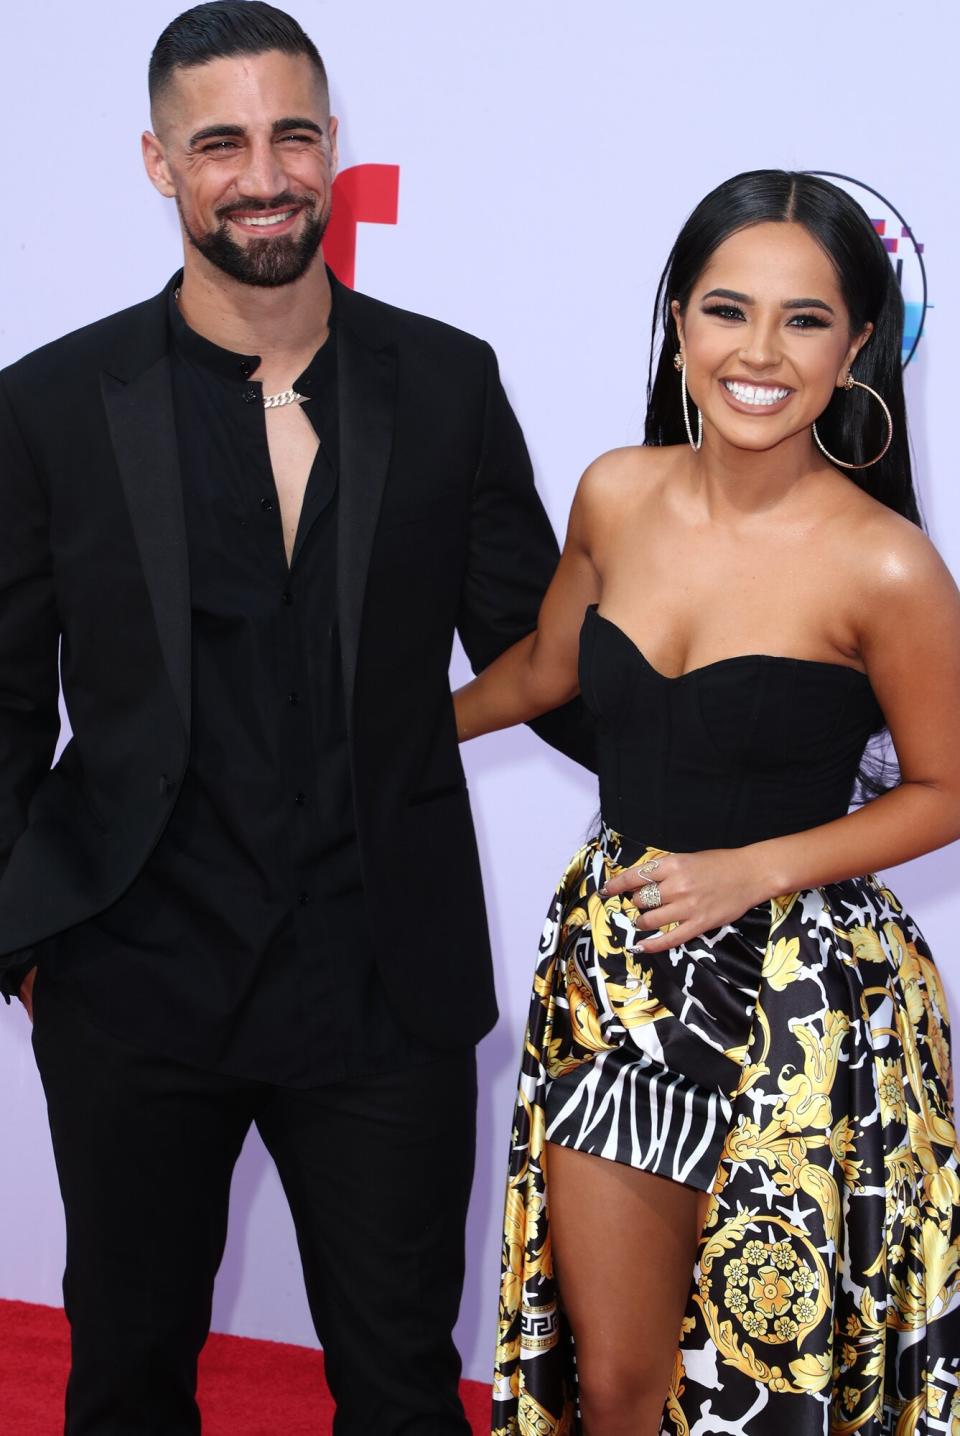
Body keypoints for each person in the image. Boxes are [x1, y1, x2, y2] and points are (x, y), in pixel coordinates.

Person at [0, 4, 594, 1433]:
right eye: (220, 143)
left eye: (289, 135)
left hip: (381, 974)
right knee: (126, 1371)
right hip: (134, 973)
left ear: (332, 148)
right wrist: (28, 943)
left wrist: (782, 757)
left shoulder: (445, 381)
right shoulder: (54, 404)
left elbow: (538, 646)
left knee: (399, 1380)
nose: (260, 174)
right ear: (159, 163)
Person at [454, 170, 960, 1436]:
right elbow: (544, 668)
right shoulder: (616, 491)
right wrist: (380, 738)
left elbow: (950, 788)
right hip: (620, 972)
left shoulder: (887, 562)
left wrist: (757, 865)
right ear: (679, 323)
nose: (759, 351)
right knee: (618, 1377)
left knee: (761, 1385)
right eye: (729, 309)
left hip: (803, 1008)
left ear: (856, 349)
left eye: (804, 319)